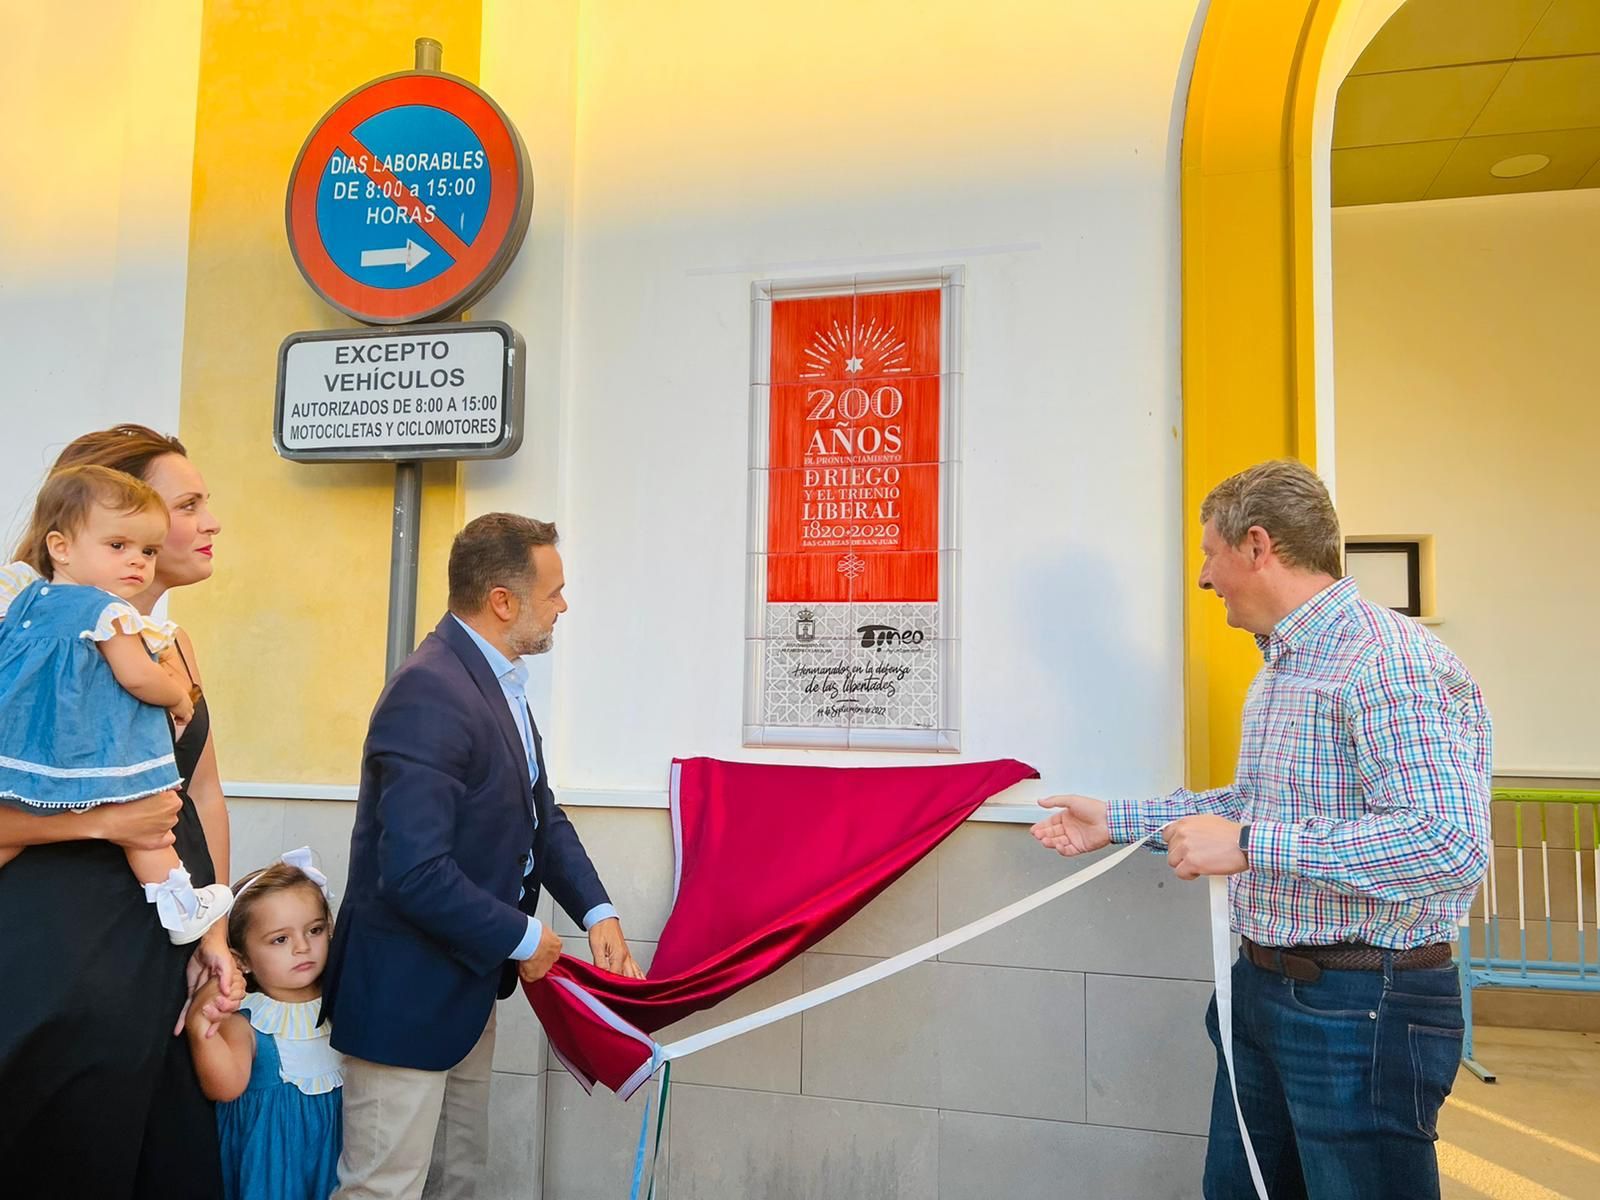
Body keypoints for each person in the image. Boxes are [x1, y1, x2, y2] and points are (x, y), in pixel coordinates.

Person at [1032, 459, 1491, 1200]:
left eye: (1210, 554)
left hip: (1358, 1011)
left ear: (1257, 546)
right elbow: (1256, 801)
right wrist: (1117, 820)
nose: (1205, 578)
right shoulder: (1286, 664)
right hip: (1265, 992)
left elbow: (1446, 844)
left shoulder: (1388, 662)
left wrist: (1250, 846)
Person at [325, 512, 644, 1200]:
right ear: (503, 600)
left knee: (459, 1181)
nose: (565, 605)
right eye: (554, 591)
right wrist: (524, 936)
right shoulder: (430, 690)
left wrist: (598, 911)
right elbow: (412, 870)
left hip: (466, 989)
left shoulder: (495, 679)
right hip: (405, 998)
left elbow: (541, 814)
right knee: (384, 1190)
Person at [0, 424, 239, 1198]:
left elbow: (202, 795)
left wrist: (216, 935)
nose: (210, 522)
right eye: (189, 504)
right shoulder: (23, 638)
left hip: (160, 965)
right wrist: (98, 823)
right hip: (59, 969)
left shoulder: (174, 646)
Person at [0, 466, 233, 943]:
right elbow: (137, 677)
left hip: (28, 753)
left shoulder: (26, 605)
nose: (137, 562)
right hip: (99, 764)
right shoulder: (108, 612)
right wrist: (178, 695)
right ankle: (182, 906)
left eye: (147, 550)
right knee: (149, 831)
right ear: (61, 547)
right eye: (119, 546)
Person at [187, 850, 343, 1200]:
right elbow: (224, 1087)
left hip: (335, 1158)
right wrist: (202, 1026)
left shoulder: (341, 1005)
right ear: (241, 959)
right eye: (280, 939)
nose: (303, 947)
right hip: (272, 1166)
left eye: (315, 930)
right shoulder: (248, 1018)